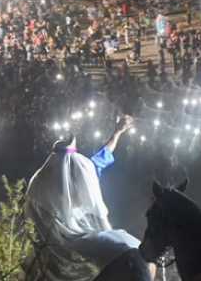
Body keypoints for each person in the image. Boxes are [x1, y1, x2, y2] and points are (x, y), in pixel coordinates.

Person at [25, 116, 147, 281]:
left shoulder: (40, 182)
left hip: (57, 247)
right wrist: (118, 131)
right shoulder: (81, 172)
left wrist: (117, 132)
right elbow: (99, 160)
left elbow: (101, 157)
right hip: (67, 246)